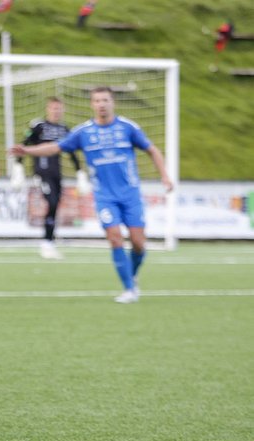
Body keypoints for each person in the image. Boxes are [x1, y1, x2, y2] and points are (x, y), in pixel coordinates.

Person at [12, 86, 173, 304]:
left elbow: (152, 150)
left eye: (105, 100)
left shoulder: (128, 128)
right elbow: (55, 147)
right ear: (92, 104)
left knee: (138, 243)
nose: (101, 104)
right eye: (97, 101)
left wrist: (165, 176)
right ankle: (129, 289)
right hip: (105, 197)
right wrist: (27, 150)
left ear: (113, 102)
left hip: (131, 195)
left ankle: (131, 274)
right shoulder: (84, 132)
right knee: (115, 237)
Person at [20, 97, 82, 260]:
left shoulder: (64, 129)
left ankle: (49, 241)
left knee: (55, 206)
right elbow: (24, 144)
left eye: (59, 109)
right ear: (48, 109)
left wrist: (80, 172)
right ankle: (47, 242)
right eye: (54, 108)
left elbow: (72, 152)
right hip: (42, 173)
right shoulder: (38, 126)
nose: (56, 112)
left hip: (56, 174)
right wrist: (18, 167)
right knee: (52, 202)